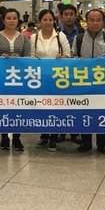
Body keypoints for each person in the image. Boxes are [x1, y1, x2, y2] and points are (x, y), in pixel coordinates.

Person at [72, 9, 105, 154]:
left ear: (104, 22)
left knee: (103, 112)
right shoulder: (78, 39)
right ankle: (86, 142)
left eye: (98, 20)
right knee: (85, 111)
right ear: (86, 22)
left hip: (104, 83)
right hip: (83, 82)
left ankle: (102, 143)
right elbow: (73, 56)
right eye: (91, 20)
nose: (95, 23)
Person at [0, 8, 31, 151]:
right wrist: (1, 59)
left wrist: (20, 60)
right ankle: (4, 136)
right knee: (3, 107)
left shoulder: (24, 38)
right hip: (2, 79)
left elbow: (28, 60)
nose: (11, 21)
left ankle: (17, 137)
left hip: (19, 79)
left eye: (14, 18)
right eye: (8, 18)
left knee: (19, 107)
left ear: (18, 20)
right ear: (3, 20)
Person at [32, 9, 70, 151]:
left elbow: (68, 54)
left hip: (57, 78)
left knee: (55, 106)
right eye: (44, 20)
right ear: (40, 21)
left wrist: (63, 57)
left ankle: (54, 137)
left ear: (54, 21)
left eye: (50, 20)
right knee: (41, 106)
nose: (47, 22)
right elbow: (30, 57)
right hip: (40, 78)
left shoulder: (60, 36)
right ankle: (44, 135)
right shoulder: (34, 38)